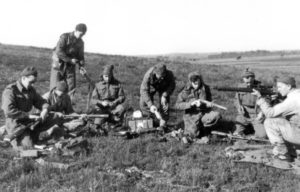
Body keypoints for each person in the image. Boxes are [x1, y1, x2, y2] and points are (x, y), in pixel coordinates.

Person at [1, 67, 60, 149]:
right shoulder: (10, 90)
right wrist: (28, 116)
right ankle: (10, 134)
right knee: (27, 147)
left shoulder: (31, 90)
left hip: (27, 120)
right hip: (15, 121)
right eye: (31, 82)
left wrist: (45, 110)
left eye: (34, 82)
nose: (33, 85)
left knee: (54, 116)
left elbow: (41, 101)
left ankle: (31, 134)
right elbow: (8, 111)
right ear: (24, 78)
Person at [253, 76, 300, 161]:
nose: (278, 90)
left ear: (289, 86)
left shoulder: (292, 100)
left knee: (270, 122)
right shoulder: (297, 94)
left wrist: (260, 98)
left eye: (280, 87)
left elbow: (270, 113)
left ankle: (282, 154)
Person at [175, 72, 221, 141]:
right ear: (190, 82)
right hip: (191, 116)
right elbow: (177, 105)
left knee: (216, 115)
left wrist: (209, 104)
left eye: (199, 83)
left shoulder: (205, 88)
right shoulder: (185, 91)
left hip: (204, 113)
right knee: (193, 135)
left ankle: (204, 128)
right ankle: (197, 131)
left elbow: (210, 101)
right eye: (195, 84)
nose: (197, 85)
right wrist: (190, 104)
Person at [49, 23, 87, 103]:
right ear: (76, 30)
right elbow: (59, 51)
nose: (81, 36)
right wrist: (70, 60)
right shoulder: (65, 37)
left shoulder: (81, 43)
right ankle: (53, 106)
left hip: (70, 66)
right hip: (58, 65)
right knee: (55, 86)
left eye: (83, 34)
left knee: (71, 87)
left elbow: (81, 56)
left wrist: (81, 66)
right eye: (80, 34)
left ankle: (67, 107)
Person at [233, 69, 267, 138]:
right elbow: (236, 100)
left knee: (262, 135)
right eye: (246, 78)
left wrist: (262, 112)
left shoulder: (261, 87)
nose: (248, 83)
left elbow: (267, 101)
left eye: (250, 78)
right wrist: (239, 106)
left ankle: (253, 131)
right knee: (236, 132)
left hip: (257, 114)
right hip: (244, 113)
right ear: (243, 78)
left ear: (254, 77)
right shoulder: (240, 87)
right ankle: (246, 129)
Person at [90, 65, 126, 129]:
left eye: (109, 76)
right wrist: (101, 102)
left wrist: (115, 102)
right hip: (102, 108)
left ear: (112, 75)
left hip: (114, 107)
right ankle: (104, 122)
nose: (108, 78)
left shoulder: (118, 84)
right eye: (106, 76)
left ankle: (115, 123)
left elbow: (122, 96)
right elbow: (93, 99)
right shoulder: (98, 85)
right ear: (103, 75)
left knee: (121, 108)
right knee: (97, 125)